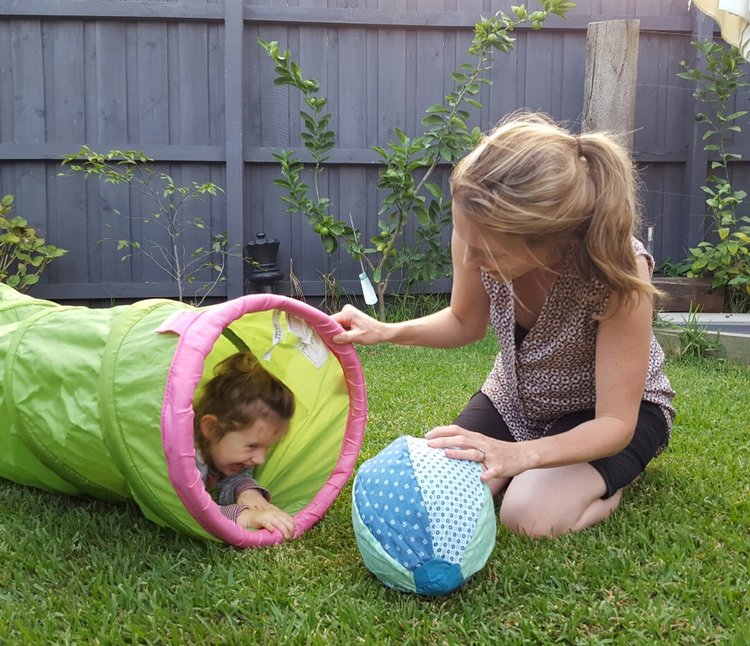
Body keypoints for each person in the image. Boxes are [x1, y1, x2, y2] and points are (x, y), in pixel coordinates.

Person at [332, 112, 676, 539]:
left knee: (527, 516)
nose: (469, 263)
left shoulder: (617, 271)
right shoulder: (477, 229)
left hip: (607, 417)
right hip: (517, 400)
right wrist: (385, 331)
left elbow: (613, 424)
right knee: (440, 488)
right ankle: (546, 466)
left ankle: (610, 484)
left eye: (486, 254)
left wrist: (520, 456)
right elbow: (463, 322)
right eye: (466, 243)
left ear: (549, 240)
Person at [193, 351, 296, 539]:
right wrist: (248, 516)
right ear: (211, 428)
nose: (260, 459)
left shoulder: (222, 448)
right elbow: (197, 512)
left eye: (266, 448)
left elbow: (236, 475)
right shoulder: (186, 459)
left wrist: (247, 492)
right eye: (252, 446)